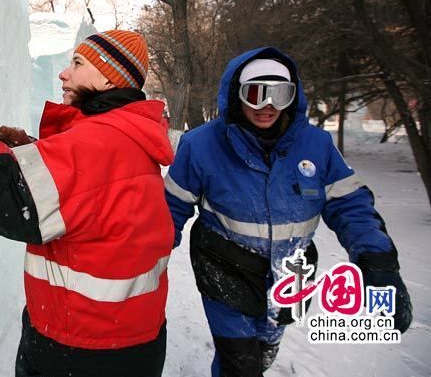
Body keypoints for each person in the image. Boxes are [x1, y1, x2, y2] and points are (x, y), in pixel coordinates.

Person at [0, 30, 175, 377]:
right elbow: (83, 195)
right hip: (125, 342)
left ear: (107, 79)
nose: (63, 73)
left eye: (77, 63)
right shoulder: (123, 140)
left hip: (81, 353)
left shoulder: (96, 146)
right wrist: (31, 152)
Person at [164, 47, 413, 377]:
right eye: (255, 94)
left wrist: (378, 264)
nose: (267, 106)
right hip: (224, 268)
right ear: (237, 95)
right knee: (239, 362)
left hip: (292, 275)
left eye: (280, 94)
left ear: (292, 97)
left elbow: (350, 206)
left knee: (266, 347)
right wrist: (148, 257)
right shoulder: (201, 145)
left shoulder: (316, 146)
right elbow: (171, 208)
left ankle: (259, 352)